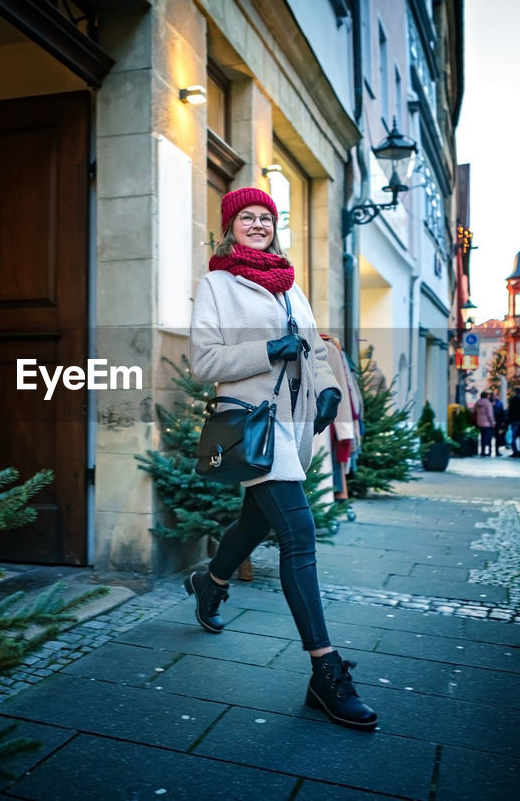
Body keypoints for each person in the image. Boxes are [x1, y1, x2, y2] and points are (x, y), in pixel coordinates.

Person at [186, 186, 377, 731]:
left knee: (256, 519)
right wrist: (266, 351)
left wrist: (328, 388)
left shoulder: (291, 286)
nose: (257, 224)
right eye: (246, 217)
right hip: (249, 424)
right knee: (298, 535)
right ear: (230, 226)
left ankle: (211, 584)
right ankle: (325, 670)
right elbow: (203, 360)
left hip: (293, 427)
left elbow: (314, 348)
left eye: (265, 217)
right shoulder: (217, 284)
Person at [474, 391, 495, 456]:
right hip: (487, 423)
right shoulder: (488, 403)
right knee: (488, 437)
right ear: (486, 396)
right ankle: (488, 451)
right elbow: (490, 414)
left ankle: (482, 451)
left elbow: (474, 411)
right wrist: (493, 422)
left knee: (482, 437)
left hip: (479, 422)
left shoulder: (477, 402)